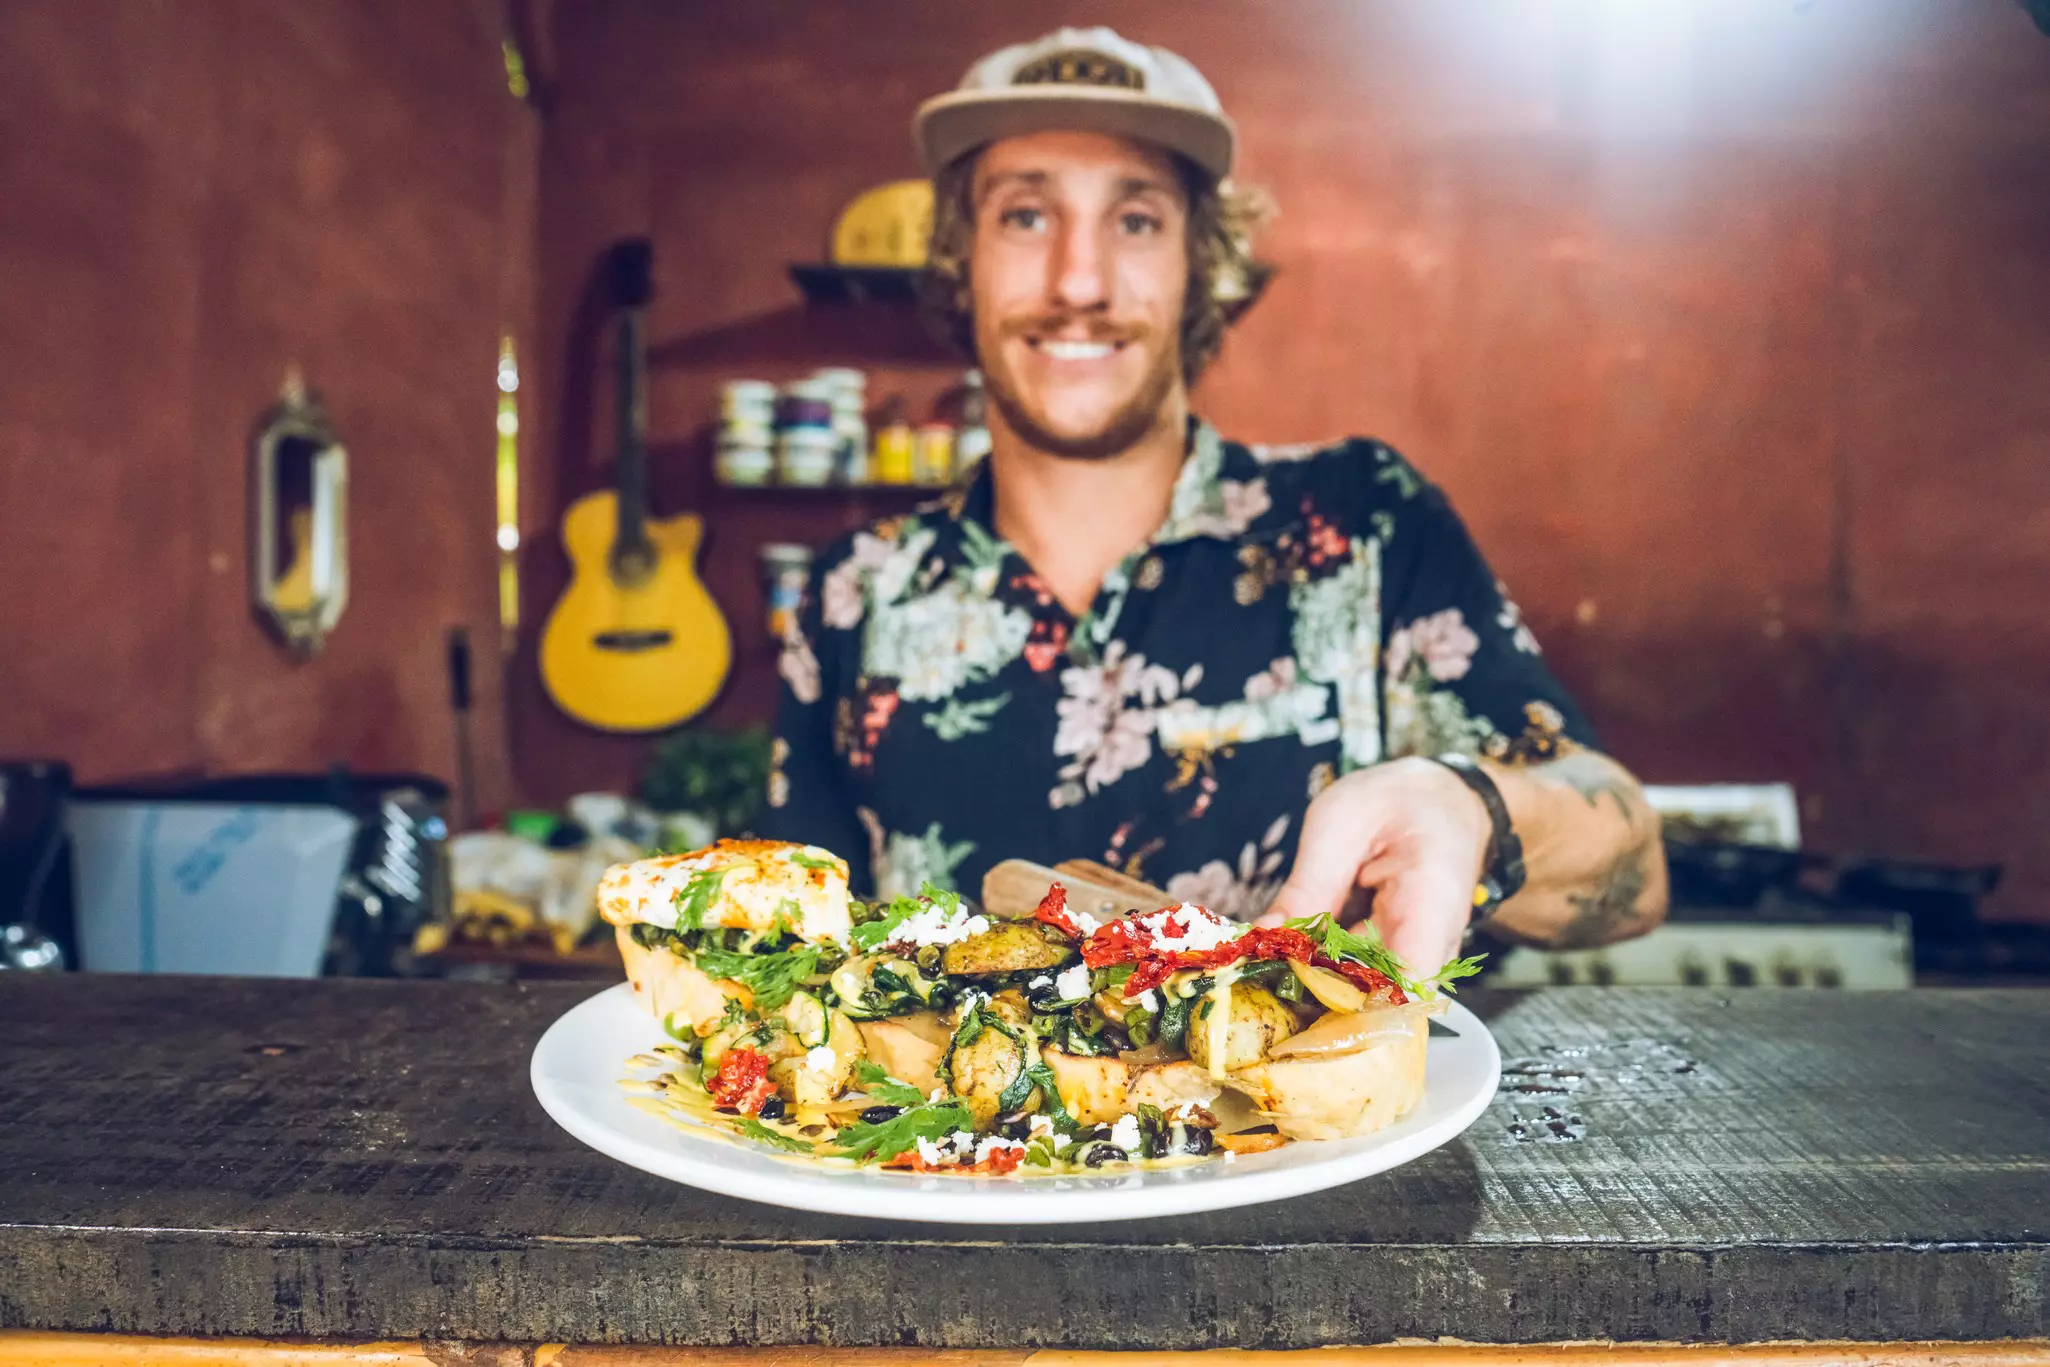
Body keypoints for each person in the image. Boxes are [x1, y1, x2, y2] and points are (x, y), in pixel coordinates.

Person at [760, 26, 1667, 974]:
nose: (1080, 282)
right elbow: (801, 968)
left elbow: (1636, 875)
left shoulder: (1365, 525)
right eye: (1025, 216)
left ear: (1202, 263)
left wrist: (1477, 811)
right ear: (962, 259)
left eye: (1137, 219)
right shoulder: (852, 595)